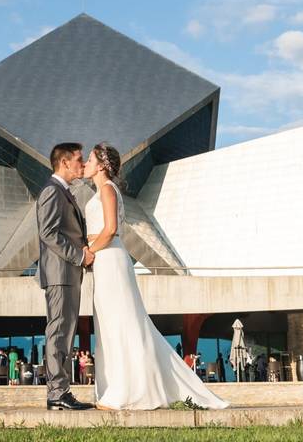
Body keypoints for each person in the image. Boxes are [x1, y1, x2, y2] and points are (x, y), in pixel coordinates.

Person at [85, 143, 228, 410]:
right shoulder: (101, 191)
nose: (86, 162)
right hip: (104, 260)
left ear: (102, 165)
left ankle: (126, 390)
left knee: (122, 322)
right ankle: (116, 386)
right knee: (109, 323)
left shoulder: (106, 190)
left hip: (109, 256)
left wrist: (89, 251)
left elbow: (111, 229)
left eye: (90, 159)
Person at [37, 142, 94, 411]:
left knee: (65, 333)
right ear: (64, 162)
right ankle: (57, 393)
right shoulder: (52, 191)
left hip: (67, 274)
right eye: (79, 160)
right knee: (58, 332)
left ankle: (61, 391)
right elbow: (48, 234)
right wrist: (80, 256)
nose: (82, 164)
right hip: (60, 273)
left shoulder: (63, 192)